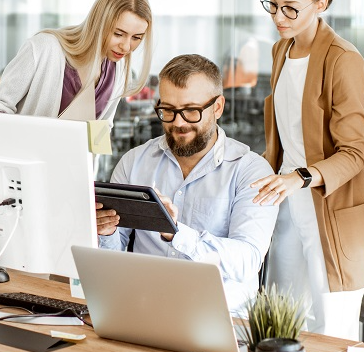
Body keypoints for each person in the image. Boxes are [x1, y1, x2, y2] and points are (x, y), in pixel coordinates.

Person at [249, 0, 364, 340]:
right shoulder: (280, 51)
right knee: (280, 323)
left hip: (330, 206)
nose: (279, 16)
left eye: (292, 8)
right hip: (289, 205)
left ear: (322, 4)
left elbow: (354, 153)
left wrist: (300, 177)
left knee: (331, 332)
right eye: (273, 5)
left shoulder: (344, 60)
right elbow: (285, 136)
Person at [95, 55, 278, 312]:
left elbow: (247, 261)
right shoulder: (134, 162)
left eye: (191, 110)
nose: (178, 123)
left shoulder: (250, 170)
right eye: (168, 110)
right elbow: (113, 257)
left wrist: (177, 233)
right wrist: (106, 231)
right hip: (143, 308)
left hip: (221, 315)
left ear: (217, 107)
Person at [0, 0, 153, 122]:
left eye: (136, 38)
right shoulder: (43, 48)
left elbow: (101, 131)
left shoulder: (119, 69)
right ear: (99, 23)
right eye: (118, 34)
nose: (126, 46)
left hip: (72, 163)